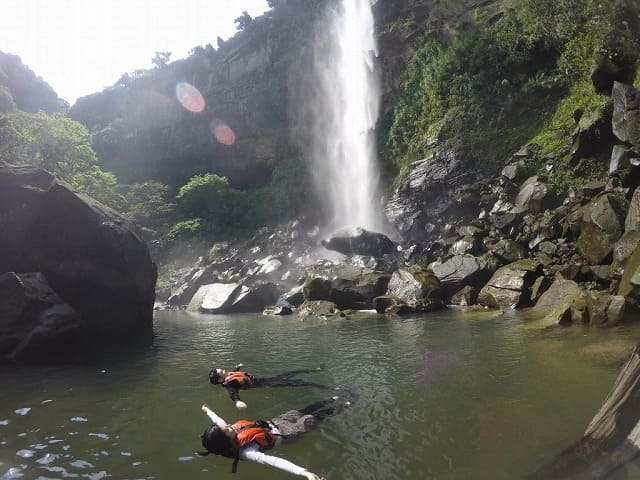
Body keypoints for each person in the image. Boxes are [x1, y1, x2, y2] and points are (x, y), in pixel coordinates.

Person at [199, 393, 353, 478]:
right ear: (226, 440)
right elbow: (274, 461)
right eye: (226, 429)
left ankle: (331, 399)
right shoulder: (247, 452)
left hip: (276, 421)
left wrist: (208, 411)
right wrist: (304, 472)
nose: (228, 425)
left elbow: (219, 421)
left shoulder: (227, 432)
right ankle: (344, 406)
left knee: (302, 410)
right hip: (288, 433)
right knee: (314, 418)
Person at [209, 363, 329, 408]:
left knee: (291, 373)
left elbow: (233, 373)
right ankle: (322, 387)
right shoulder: (230, 385)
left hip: (265, 379)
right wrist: (237, 402)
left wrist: (237, 368)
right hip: (266, 384)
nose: (224, 370)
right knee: (297, 383)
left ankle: (316, 370)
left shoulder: (228, 376)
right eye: (221, 372)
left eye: (222, 369)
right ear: (220, 380)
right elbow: (233, 394)